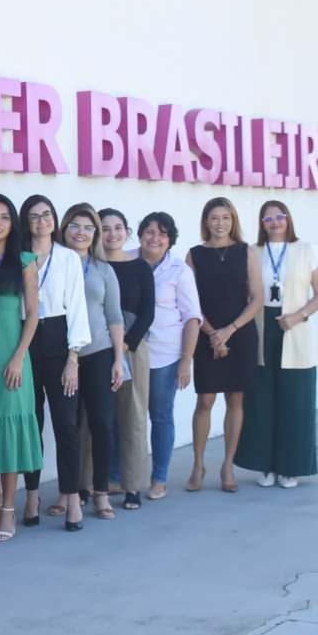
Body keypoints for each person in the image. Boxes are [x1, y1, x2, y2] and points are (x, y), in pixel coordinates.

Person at [234, 199, 318, 488]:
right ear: (261, 224)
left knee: (295, 402)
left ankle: (291, 467)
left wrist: (299, 316)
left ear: (288, 219)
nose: (274, 222)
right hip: (261, 330)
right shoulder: (252, 252)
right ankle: (266, 466)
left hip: (295, 330)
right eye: (267, 218)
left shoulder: (307, 250)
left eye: (279, 216)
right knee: (261, 402)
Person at [18, 194, 89, 532]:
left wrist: (73, 358)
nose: (42, 221)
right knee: (31, 421)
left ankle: (72, 496)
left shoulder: (67, 258)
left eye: (47, 214)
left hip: (59, 342)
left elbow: (77, 307)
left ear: (54, 218)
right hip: (25, 340)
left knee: (66, 423)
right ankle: (32, 494)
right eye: (34, 216)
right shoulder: (17, 257)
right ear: (26, 221)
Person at [0, 192, 41, 540]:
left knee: (8, 429)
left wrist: (19, 356)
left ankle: (8, 511)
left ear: (12, 223)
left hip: (10, 356)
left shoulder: (25, 260)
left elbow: (33, 315)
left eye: (3, 216)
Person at [187, 197, 263, 494]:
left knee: (235, 400)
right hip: (205, 334)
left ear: (233, 221)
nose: (220, 223)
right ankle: (198, 465)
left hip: (240, 333)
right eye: (214, 218)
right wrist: (212, 334)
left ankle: (227, 465)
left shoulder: (246, 252)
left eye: (226, 218)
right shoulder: (194, 255)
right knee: (205, 401)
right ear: (206, 222)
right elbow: (190, 301)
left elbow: (256, 298)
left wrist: (228, 331)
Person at [86, 208, 154, 509]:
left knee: (134, 417)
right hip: (96, 347)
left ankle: (133, 486)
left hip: (133, 347)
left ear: (127, 231)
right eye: (106, 228)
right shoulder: (90, 265)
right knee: (89, 418)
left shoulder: (140, 267)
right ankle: (86, 484)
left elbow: (149, 312)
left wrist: (124, 344)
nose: (112, 234)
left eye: (118, 228)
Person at [61, 203, 126, 520]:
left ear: (95, 233)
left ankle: (100, 492)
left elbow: (114, 316)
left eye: (88, 227)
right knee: (67, 426)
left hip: (98, 354)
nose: (81, 232)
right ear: (65, 228)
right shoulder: (55, 263)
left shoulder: (103, 269)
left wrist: (118, 359)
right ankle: (68, 490)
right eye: (75, 225)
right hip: (63, 357)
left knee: (101, 424)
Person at [137, 212, 201, 501]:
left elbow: (191, 318)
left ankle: (159, 478)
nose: (155, 238)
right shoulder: (126, 261)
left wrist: (186, 360)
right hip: (129, 352)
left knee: (161, 416)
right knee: (124, 417)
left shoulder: (179, 271)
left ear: (170, 240)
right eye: (150, 232)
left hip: (165, 355)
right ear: (140, 235)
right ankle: (118, 476)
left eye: (162, 234)